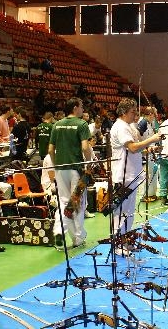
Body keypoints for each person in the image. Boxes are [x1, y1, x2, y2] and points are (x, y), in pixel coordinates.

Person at [110, 98, 161, 256]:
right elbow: (132, 148)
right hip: (123, 176)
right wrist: (151, 139)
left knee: (129, 213)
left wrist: (149, 150)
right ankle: (118, 246)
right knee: (121, 213)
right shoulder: (120, 127)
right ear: (124, 112)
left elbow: (134, 150)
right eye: (133, 112)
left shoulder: (128, 126)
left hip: (132, 175)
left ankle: (126, 241)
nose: (136, 115)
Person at [48, 97, 92, 250]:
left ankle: (59, 230)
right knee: (76, 203)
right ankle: (78, 238)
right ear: (75, 107)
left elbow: (50, 150)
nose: (83, 109)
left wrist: (56, 165)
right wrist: (89, 163)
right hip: (76, 170)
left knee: (63, 201)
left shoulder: (56, 125)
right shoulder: (82, 124)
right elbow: (86, 147)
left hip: (60, 169)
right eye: (81, 106)